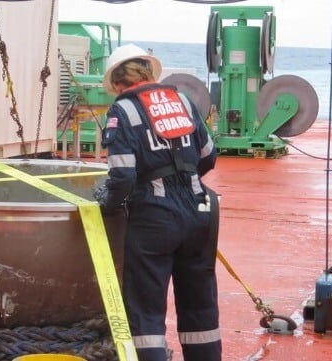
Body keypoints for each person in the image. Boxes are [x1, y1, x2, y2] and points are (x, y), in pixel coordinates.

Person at [93, 44, 220, 361]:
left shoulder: (123, 111)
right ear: (149, 72)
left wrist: (105, 204)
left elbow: (121, 176)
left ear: (118, 84)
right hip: (200, 212)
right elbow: (208, 157)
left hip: (155, 218)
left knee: (147, 309)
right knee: (200, 304)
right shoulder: (184, 102)